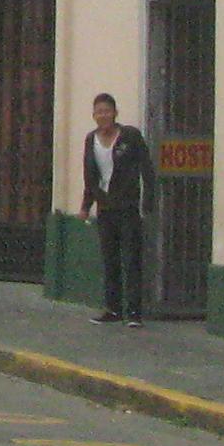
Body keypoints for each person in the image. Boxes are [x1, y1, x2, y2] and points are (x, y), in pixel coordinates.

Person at [78, 91, 157, 327]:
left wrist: (148, 201)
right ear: (94, 115)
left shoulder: (130, 136)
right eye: (98, 111)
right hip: (106, 207)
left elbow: (147, 168)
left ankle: (134, 312)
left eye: (107, 111)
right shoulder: (91, 139)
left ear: (115, 113)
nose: (103, 115)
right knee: (110, 258)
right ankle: (113, 309)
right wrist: (86, 205)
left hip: (128, 206)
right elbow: (89, 176)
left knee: (131, 258)